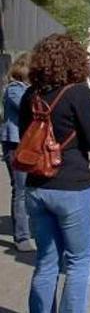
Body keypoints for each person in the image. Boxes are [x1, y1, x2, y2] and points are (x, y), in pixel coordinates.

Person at [19, 34, 90, 313]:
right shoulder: (78, 93)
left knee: (46, 261)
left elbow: (26, 139)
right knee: (79, 262)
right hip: (72, 185)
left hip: (36, 184)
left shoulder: (30, 95)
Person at [1, 53, 35, 252]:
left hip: (26, 144)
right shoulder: (15, 89)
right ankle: (21, 236)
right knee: (20, 190)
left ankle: (28, 231)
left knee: (29, 190)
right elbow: (29, 108)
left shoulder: (25, 89)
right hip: (15, 145)